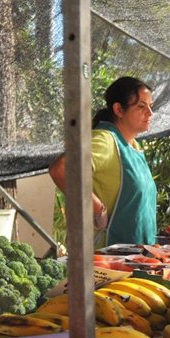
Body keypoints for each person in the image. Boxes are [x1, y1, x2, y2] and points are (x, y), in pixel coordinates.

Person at [49, 76, 157, 249]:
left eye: (151, 106)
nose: (150, 113)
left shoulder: (133, 146)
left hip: (137, 256)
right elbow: (62, 169)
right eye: (141, 106)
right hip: (108, 260)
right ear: (119, 110)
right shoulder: (105, 140)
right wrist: (98, 208)